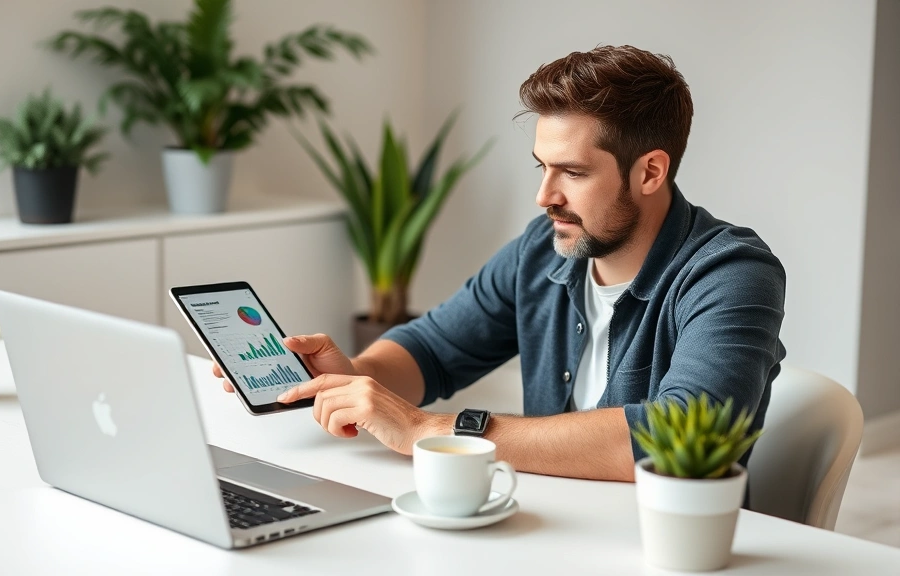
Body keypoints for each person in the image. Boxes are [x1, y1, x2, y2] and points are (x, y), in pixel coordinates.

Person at [213, 45, 786, 482]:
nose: (545, 196)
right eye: (542, 166)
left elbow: (678, 433)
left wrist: (430, 429)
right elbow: (433, 348)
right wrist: (354, 378)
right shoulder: (543, 248)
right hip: (546, 527)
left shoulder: (731, 272)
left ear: (650, 172)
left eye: (573, 172)